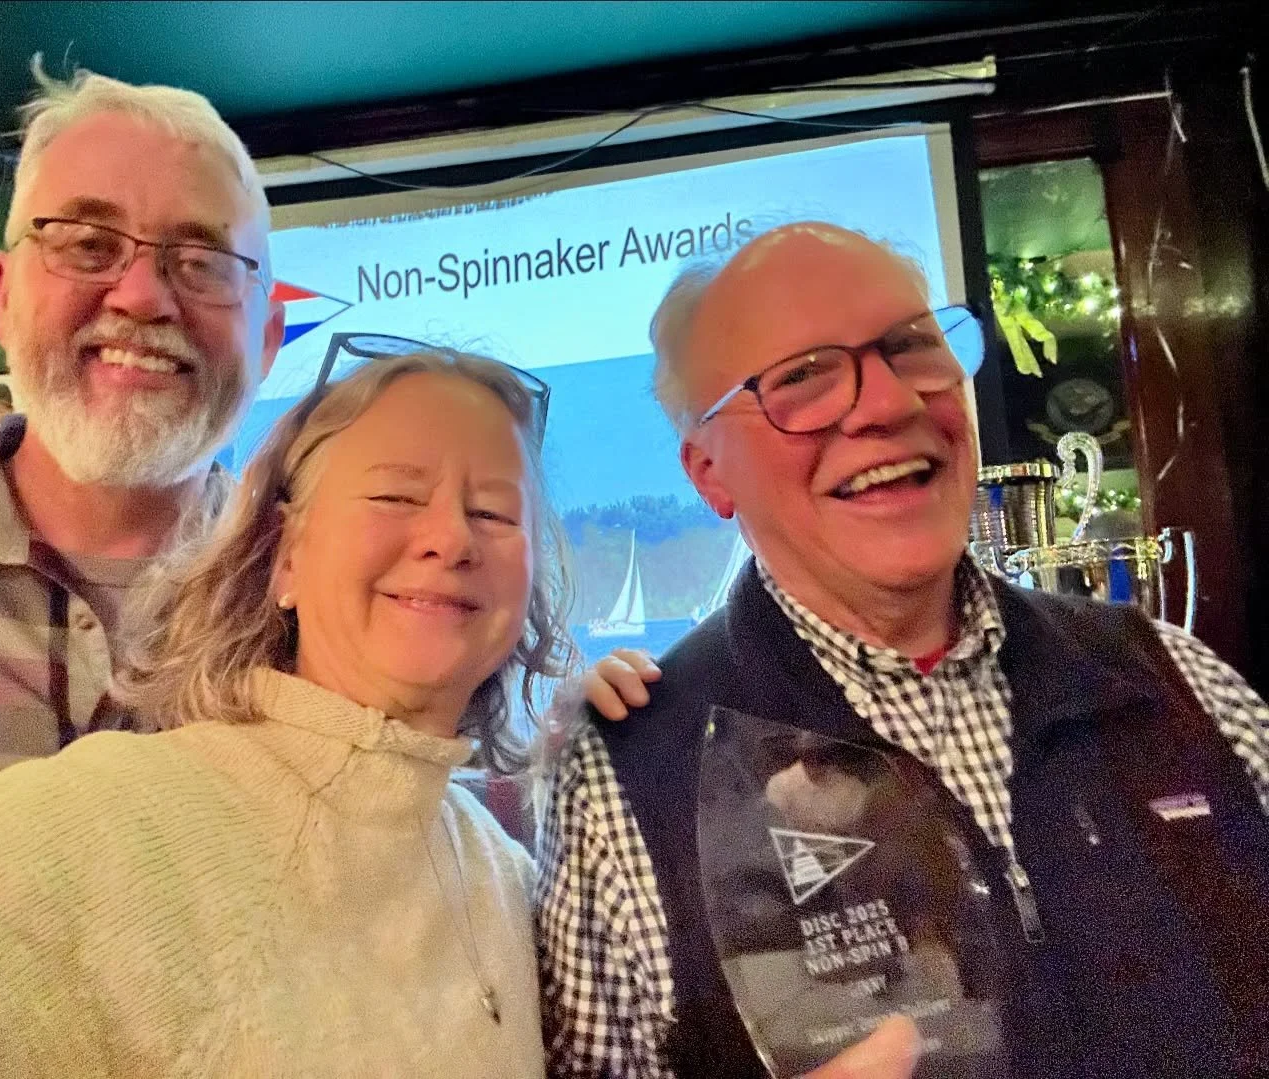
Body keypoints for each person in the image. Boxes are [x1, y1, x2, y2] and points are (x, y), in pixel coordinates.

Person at [537, 222, 1269, 1078]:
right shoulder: (627, 778)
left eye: (911, 346)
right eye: (802, 377)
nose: (887, 404)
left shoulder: (1178, 682)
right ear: (709, 473)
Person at [0, 350, 575, 1076]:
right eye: (395, 496)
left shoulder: (500, 868)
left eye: (493, 511)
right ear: (286, 555)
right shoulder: (131, 815)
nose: (450, 538)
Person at [0, 63, 284, 854]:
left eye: (203, 261)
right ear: (3, 298)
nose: (142, 296)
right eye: (87, 243)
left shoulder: (337, 612)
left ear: (269, 338)